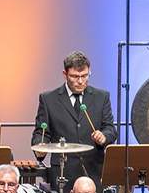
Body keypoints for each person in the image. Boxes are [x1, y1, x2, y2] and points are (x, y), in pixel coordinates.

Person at [32, 50, 117, 184]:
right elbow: (41, 132)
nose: (80, 81)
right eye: (75, 76)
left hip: (94, 172)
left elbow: (110, 128)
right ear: (65, 74)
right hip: (63, 173)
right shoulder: (48, 99)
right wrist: (39, 146)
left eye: (84, 76)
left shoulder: (102, 97)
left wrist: (104, 136)